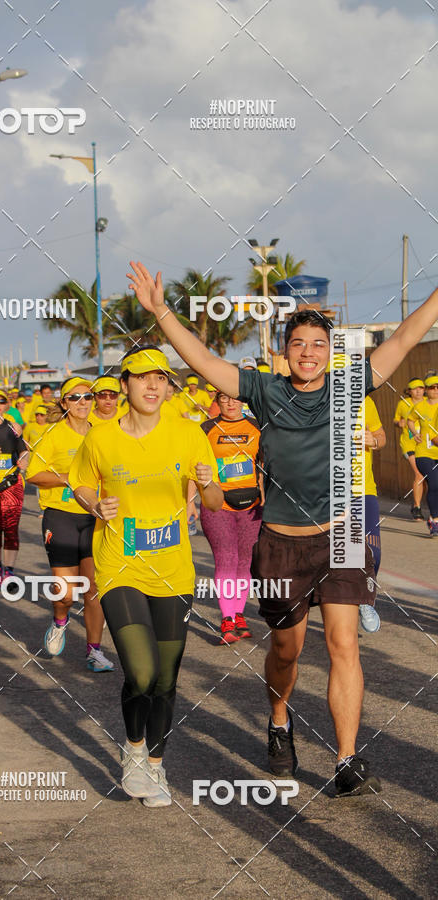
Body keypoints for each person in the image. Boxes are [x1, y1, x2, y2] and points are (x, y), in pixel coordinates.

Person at [129, 259, 438, 796]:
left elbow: (409, 334)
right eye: (300, 343)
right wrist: (160, 312)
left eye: (319, 344)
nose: (310, 353)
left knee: (345, 644)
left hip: (339, 538)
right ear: (284, 349)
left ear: (330, 350)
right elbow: (202, 360)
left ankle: (345, 760)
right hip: (280, 546)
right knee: (287, 651)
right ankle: (279, 718)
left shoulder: (349, 387)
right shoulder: (264, 392)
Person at [70, 346, 223, 807]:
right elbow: (80, 482)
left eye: (162, 378)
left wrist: (207, 481)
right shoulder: (101, 438)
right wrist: (94, 504)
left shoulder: (189, 433)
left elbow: (214, 502)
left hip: (173, 571)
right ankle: (133, 751)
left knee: (166, 679)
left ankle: (156, 765)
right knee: (141, 670)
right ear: (125, 385)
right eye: (143, 377)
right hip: (120, 563)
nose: (154, 385)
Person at [25, 377, 114, 673]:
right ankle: (60, 620)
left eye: (87, 397)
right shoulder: (52, 435)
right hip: (60, 516)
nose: (82, 403)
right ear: (64, 404)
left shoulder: (102, 434)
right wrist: (69, 477)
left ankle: (94, 651)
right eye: (74, 398)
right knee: (65, 593)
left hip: (94, 517)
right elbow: (34, 475)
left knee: (93, 590)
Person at [199, 392, 262, 644]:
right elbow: (196, 466)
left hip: (251, 504)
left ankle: (238, 614)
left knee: (245, 561)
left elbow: (265, 464)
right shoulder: (206, 428)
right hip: (217, 503)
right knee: (226, 557)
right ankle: (226, 619)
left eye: (235, 398)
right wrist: (187, 502)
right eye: (224, 398)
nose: (230, 403)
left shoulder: (257, 426)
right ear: (217, 401)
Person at [0, 388, 29, 589]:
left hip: (12, 484)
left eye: (1, 401)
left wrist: (24, 460)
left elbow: (24, 450)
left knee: (10, 528)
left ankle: (9, 572)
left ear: (7, 405)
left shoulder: (13, 428)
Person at [358, 396, 386, 633]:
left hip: (364, 489)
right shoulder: (316, 396)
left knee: (372, 552)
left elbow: (381, 436)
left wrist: (374, 440)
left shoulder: (365, 400)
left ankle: (366, 600)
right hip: (327, 492)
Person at [408, 375, 438, 536]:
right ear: (427, 390)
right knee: (434, 483)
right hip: (424, 452)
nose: (436, 390)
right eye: (433, 387)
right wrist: (415, 434)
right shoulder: (420, 407)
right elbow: (410, 420)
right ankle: (435, 519)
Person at [393, 379, 426, 519]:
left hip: (425, 444)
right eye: (415, 388)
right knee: (419, 474)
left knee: (426, 477)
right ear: (409, 391)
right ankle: (417, 508)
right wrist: (398, 423)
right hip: (408, 443)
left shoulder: (429, 402)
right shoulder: (403, 403)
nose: (418, 391)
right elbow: (396, 419)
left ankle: (415, 504)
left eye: (421, 388)